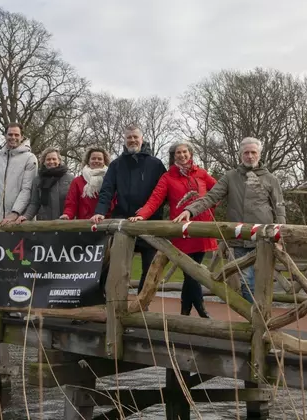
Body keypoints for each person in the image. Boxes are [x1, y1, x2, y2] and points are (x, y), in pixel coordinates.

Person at [174, 137, 286, 303]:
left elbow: (279, 208)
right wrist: (190, 210)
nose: (249, 156)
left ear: (259, 154)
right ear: (241, 155)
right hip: (241, 239)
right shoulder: (231, 177)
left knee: (263, 281)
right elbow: (211, 197)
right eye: (246, 153)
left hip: (264, 239)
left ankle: (259, 320)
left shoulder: (270, 179)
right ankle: (256, 318)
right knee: (246, 282)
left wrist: (280, 237)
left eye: (253, 152)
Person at [129, 141, 217, 317]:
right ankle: (200, 310)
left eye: (185, 152)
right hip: (182, 231)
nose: (182, 155)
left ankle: (185, 311)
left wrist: (210, 208)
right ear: (173, 156)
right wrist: (142, 215)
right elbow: (155, 199)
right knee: (191, 272)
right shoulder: (168, 177)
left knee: (193, 272)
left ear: (190, 154)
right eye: (178, 153)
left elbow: (218, 190)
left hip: (201, 229)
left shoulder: (201, 173)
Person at [91, 124, 166, 293]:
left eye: (135, 137)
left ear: (142, 139)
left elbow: (164, 192)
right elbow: (107, 190)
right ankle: (110, 300)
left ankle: (141, 304)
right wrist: (100, 211)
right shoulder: (117, 165)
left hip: (150, 223)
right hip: (123, 222)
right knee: (115, 266)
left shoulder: (156, 164)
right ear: (125, 140)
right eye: (129, 138)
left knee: (149, 268)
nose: (132, 140)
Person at [0, 123, 38, 227]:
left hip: (19, 221)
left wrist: (15, 212)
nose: (13, 137)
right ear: (5, 135)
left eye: (16, 135)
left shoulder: (30, 158)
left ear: (22, 136)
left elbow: (27, 189)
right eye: (10, 134)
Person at [19, 148, 74, 222]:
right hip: (44, 224)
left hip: (66, 222)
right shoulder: (37, 180)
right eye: (48, 159)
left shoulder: (70, 178)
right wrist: (26, 216)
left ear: (59, 161)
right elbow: (34, 203)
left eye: (54, 159)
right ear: (43, 162)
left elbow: (74, 202)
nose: (51, 162)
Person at [61, 147, 114, 220]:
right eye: (93, 158)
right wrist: (67, 214)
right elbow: (71, 202)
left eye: (99, 159)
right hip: (84, 223)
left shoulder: (111, 179)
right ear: (88, 161)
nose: (96, 161)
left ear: (104, 161)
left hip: (106, 222)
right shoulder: (77, 181)